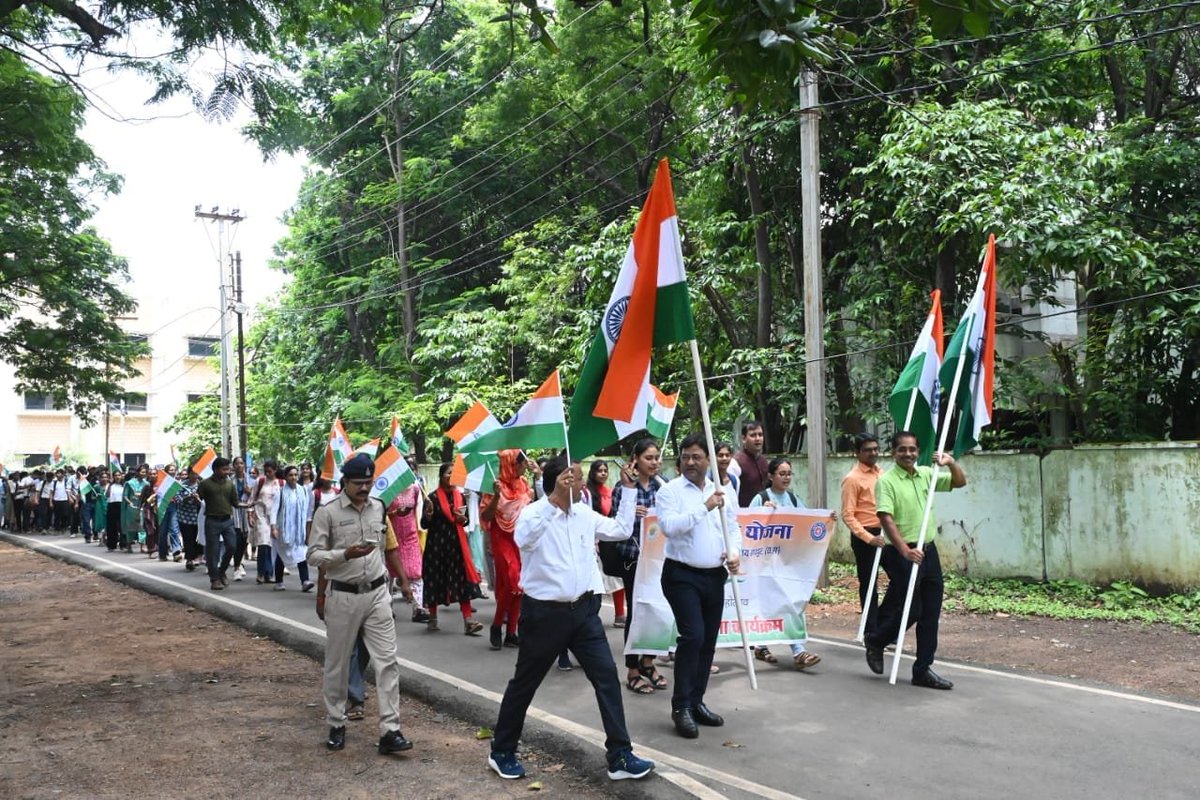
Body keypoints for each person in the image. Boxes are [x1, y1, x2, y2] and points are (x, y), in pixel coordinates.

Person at [488, 454, 654, 783]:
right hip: (545, 615)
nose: (581, 483)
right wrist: (551, 501)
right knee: (525, 683)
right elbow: (524, 540)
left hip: (585, 613)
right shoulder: (534, 513)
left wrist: (628, 487)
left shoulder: (583, 514)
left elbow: (620, 529)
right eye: (575, 478)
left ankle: (620, 754)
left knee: (607, 677)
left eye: (578, 478)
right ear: (560, 481)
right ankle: (502, 751)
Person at [308, 452, 413, 755]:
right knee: (338, 664)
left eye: (369, 482)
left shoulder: (379, 509)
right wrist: (344, 555)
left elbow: (388, 549)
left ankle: (390, 731)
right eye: (359, 484)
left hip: (378, 594)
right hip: (342, 594)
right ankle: (337, 723)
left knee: (387, 661)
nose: (365, 489)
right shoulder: (327, 513)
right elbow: (313, 555)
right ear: (345, 482)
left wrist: (402, 582)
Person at [863, 431, 967, 690]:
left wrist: (951, 462)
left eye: (912, 449)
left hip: (928, 551)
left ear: (918, 451)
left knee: (931, 611)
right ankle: (877, 640)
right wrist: (904, 551)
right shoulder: (887, 481)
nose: (908, 454)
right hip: (903, 552)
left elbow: (959, 483)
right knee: (912, 609)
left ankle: (922, 669)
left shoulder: (926, 474)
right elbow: (885, 518)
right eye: (902, 450)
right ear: (894, 452)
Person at [655, 432, 741, 739]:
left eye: (697, 457)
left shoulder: (722, 493)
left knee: (708, 641)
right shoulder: (670, 491)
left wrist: (734, 554)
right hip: (681, 576)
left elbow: (733, 528)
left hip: (714, 576)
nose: (690, 462)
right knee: (693, 636)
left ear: (709, 460)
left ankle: (696, 701)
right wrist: (704, 506)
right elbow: (670, 527)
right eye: (686, 456)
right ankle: (681, 708)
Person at [604, 439, 670, 695]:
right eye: (648, 458)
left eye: (656, 458)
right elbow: (615, 525)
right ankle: (632, 669)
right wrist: (635, 516)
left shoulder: (663, 487)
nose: (654, 463)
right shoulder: (623, 489)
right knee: (636, 614)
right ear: (635, 460)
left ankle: (648, 663)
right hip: (633, 559)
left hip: (659, 560)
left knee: (657, 611)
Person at [749, 457, 823, 670]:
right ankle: (761, 645)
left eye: (789, 473)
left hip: (786, 563)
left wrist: (826, 520)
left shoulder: (792, 499)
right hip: (764, 563)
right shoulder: (761, 498)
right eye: (781, 473)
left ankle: (798, 650)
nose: (786, 477)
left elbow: (806, 522)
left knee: (791, 603)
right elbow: (748, 527)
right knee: (765, 604)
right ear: (771, 476)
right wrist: (764, 512)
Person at [421, 463, 485, 635]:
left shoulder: (460, 497)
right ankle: (432, 617)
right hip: (437, 547)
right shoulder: (432, 498)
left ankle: (468, 621)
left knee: (462, 582)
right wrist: (428, 515)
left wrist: (462, 518)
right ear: (442, 476)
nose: (452, 476)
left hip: (456, 546)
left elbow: (466, 521)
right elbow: (424, 524)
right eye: (450, 473)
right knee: (434, 580)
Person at [481, 450, 532, 649]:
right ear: (511, 464)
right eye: (521, 463)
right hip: (501, 537)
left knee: (518, 587)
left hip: (520, 538)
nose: (524, 467)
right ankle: (496, 624)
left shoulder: (523, 484)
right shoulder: (494, 486)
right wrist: (495, 496)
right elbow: (486, 516)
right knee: (512, 581)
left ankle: (511, 631)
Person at [841, 433, 885, 634]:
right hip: (865, 536)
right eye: (868, 450)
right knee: (869, 584)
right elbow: (848, 515)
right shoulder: (852, 479)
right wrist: (869, 538)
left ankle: (884, 624)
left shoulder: (881, 473)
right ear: (857, 453)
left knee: (901, 577)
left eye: (875, 448)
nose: (873, 453)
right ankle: (871, 630)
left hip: (885, 532)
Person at [384, 464, 426, 621]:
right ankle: (387, 608)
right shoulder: (389, 490)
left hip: (411, 535)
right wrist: (395, 513)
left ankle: (419, 608)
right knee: (390, 575)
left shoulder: (416, 489)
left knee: (416, 572)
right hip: (392, 537)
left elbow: (419, 512)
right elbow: (381, 512)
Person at [197, 457, 240, 591]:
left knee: (232, 547)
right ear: (216, 470)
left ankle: (221, 571)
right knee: (213, 552)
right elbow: (198, 499)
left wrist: (249, 504)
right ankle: (214, 579)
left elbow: (236, 503)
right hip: (212, 521)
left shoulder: (229, 485)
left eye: (228, 469)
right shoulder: (205, 484)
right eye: (224, 469)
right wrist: (194, 499)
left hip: (227, 521)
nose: (227, 472)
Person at [270, 465, 314, 591]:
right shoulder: (281, 492)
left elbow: (307, 512)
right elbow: (273, 511)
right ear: (285, 477)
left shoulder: (303, 490)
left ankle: (305, 581)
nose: (293, 477)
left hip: (299, 531)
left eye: (295, 475)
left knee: (302, 555)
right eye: (290, 475)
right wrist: (273, 528)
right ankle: (278, 581)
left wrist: (307, 530)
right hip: (284, 530)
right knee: (282, 555)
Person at [249, 459, 281, 585]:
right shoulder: (260, 481)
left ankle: (270, 573)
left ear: (275, 470)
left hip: (275, 517)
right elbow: (253, 497)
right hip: (260, 515)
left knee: (272, 546)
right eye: (266, 471)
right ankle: (261, 573)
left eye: (270, 471)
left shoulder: (281, 483)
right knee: (263, 544)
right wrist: (250, 513)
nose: (268, 474)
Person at [728, 421, 768, 508]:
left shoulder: (764, 461)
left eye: (760, 435)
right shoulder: (736, 463)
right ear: (744, 438)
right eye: (753, 435)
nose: (757, 438)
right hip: (743, 515)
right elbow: (729, 493)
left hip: (763, 515)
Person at [173, 469, 203, 569]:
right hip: (185, 517)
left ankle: (198, 556)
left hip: (198, 516)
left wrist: (197, 500)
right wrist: (188, 498)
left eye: (196, 474)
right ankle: (189, 559)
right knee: (188, 538)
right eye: (192, 474)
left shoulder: (201, 485)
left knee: (197, 539)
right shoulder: (181, 485)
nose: (194, 476)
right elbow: (178, 500)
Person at [231, 456, 251, 580]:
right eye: (237, 463)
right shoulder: (229, 480)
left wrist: (249, 492)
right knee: (236, 539)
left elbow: (255, 496)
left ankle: (240, 562)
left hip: (247, 511)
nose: (239, 466)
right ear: (233, 466)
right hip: (234, 511)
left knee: (245, 540)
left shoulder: (250, 480)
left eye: (241, 463)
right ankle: (237, 567)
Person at [104, 471, 125, 551]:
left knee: (122, 526)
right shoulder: (110, 485)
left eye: (119, 475)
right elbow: (107, 495)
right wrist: (109, 485)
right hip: (112, 505)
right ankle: (111, 545)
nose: (117, 477)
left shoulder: (124, 485)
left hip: (121, 505)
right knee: (111, 526)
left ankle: (123, 544)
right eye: (115, 475)